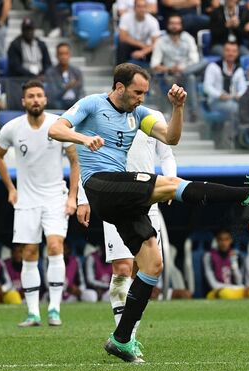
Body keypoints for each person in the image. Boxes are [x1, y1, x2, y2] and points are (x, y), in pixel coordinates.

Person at [48, 63, 249, 363]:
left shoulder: (138, 114)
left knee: (152, 265)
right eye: (137, 92)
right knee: (172, 185)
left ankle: (121, 339)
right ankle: (247, 195)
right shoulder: (92, 104)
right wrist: (84, 139)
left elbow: (171, 138)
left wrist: (177, 108)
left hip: (123, 197)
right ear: (119, 87)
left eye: (145, 93)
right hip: (100, 185)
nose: (141, 98)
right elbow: (55, 128)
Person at [76, 107, 178, 327]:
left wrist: (171, 180)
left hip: (146, 200)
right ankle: (123, 334)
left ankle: (128, 332)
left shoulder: (153, 116)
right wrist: (82, 198)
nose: (139, 96)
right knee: (122, 267)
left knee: (144, 268)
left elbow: (167, 155)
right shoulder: (102, 115)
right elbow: (88, 159)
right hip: (116, 199)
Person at [0, 80, 79, 328]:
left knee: (54, 246)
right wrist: (11, 188)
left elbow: (74, 161)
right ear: (23, 101)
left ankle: (54, 308)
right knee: (29, 252)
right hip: (27, 199)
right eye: (30, 96)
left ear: (45, 99)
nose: (35, 100)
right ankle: (32, 313)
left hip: (55, 197)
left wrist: (72, 197)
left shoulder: (58, 125)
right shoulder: (12, 128)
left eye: (39, 95)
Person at [150, 14, 202, 118]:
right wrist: (170, 69)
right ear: (168, 25)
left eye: (177, 24)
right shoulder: (161, 41)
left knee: (192, 75)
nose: (174, 26)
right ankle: (167, 112)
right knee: (189, 76)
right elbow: (154, 64)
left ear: (181, 26)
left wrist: (182, 69)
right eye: (172, 23)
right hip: (169, 76)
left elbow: (195, 60)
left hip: (186, 73)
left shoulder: (188, 39)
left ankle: (193, 112)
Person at [202, 41, 247, 122]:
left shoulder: (238, 69)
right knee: (236, 108)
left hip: (233, 99)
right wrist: (219, 95)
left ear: (237, 53)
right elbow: (207, 87)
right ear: (223, 52)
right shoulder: (213, 67)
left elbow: (243, 87)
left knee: (243, 106)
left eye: (234, 51)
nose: (231, 53)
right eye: (228, 50)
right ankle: (236, 133)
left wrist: (239, 95)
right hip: (215, 101)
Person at [204, 228, 248, 299]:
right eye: (221, 239)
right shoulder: (209, 256)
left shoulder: (236, 255)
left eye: (226, 239)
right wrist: (231, 288)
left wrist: (233, 262)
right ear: (217, 241)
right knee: (226, 293)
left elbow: (239, 281)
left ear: (230, 240)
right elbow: (212, 284)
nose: (224, 243)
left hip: (233, 290)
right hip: (216, 291)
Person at [117, 0, 161, 65]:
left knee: (157, 49)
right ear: (134, 8)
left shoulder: (153, 21)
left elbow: (156, 43)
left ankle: (155, 72)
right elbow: (123, 37)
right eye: (139, 6)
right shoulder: (125, 17)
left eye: (144, 7)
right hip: (131, 45)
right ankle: (120, 71)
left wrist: (143, 52)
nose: (142, 9)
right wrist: (141, 45)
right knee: (122, 45)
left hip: (146, 47)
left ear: (147, 8)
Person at [44, 43, 84, 110]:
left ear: (69, 55)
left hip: (74, 102)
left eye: (66, 53)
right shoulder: (50, 72)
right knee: (55, 104)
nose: (63, 56)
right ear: (56, 55)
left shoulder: (77, 72)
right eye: (61, 54)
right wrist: (67, 87)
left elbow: (81, 92)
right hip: (59, 103)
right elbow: (53, 96)